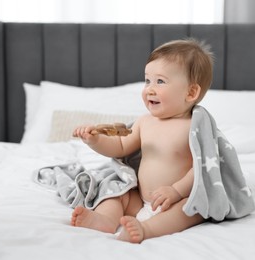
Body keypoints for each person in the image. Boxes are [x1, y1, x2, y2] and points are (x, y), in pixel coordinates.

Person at [71, 38, 214, 243]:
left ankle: (145, 229)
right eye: (147, 80)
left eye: (160, 81)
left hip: (173, 201)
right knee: (117, 194)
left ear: (191, 92)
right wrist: (94, 141)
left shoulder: (193, 128)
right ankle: (105, 220)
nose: (150, 89)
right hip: (140, 199)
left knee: (191, 210)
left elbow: (201, 168)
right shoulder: (144, 122)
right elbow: (120, 147)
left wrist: (176, 191)